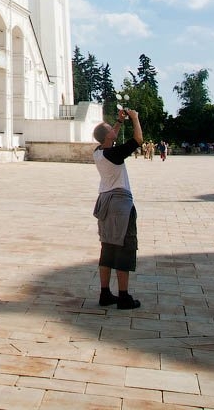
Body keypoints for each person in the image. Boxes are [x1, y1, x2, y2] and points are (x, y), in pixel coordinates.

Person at [92, 108, 143, 310]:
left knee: (107, 247)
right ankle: (124, 296)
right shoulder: (114, 154)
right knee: (124, 247)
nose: (112, 128)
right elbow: (138, 139)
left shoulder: (99, 152)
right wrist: (135, 119)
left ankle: (105, 293)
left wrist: (120, 121)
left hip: (104, 200)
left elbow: (108, 136)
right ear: (108, 136)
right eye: (110, 128)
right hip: (120, 202)